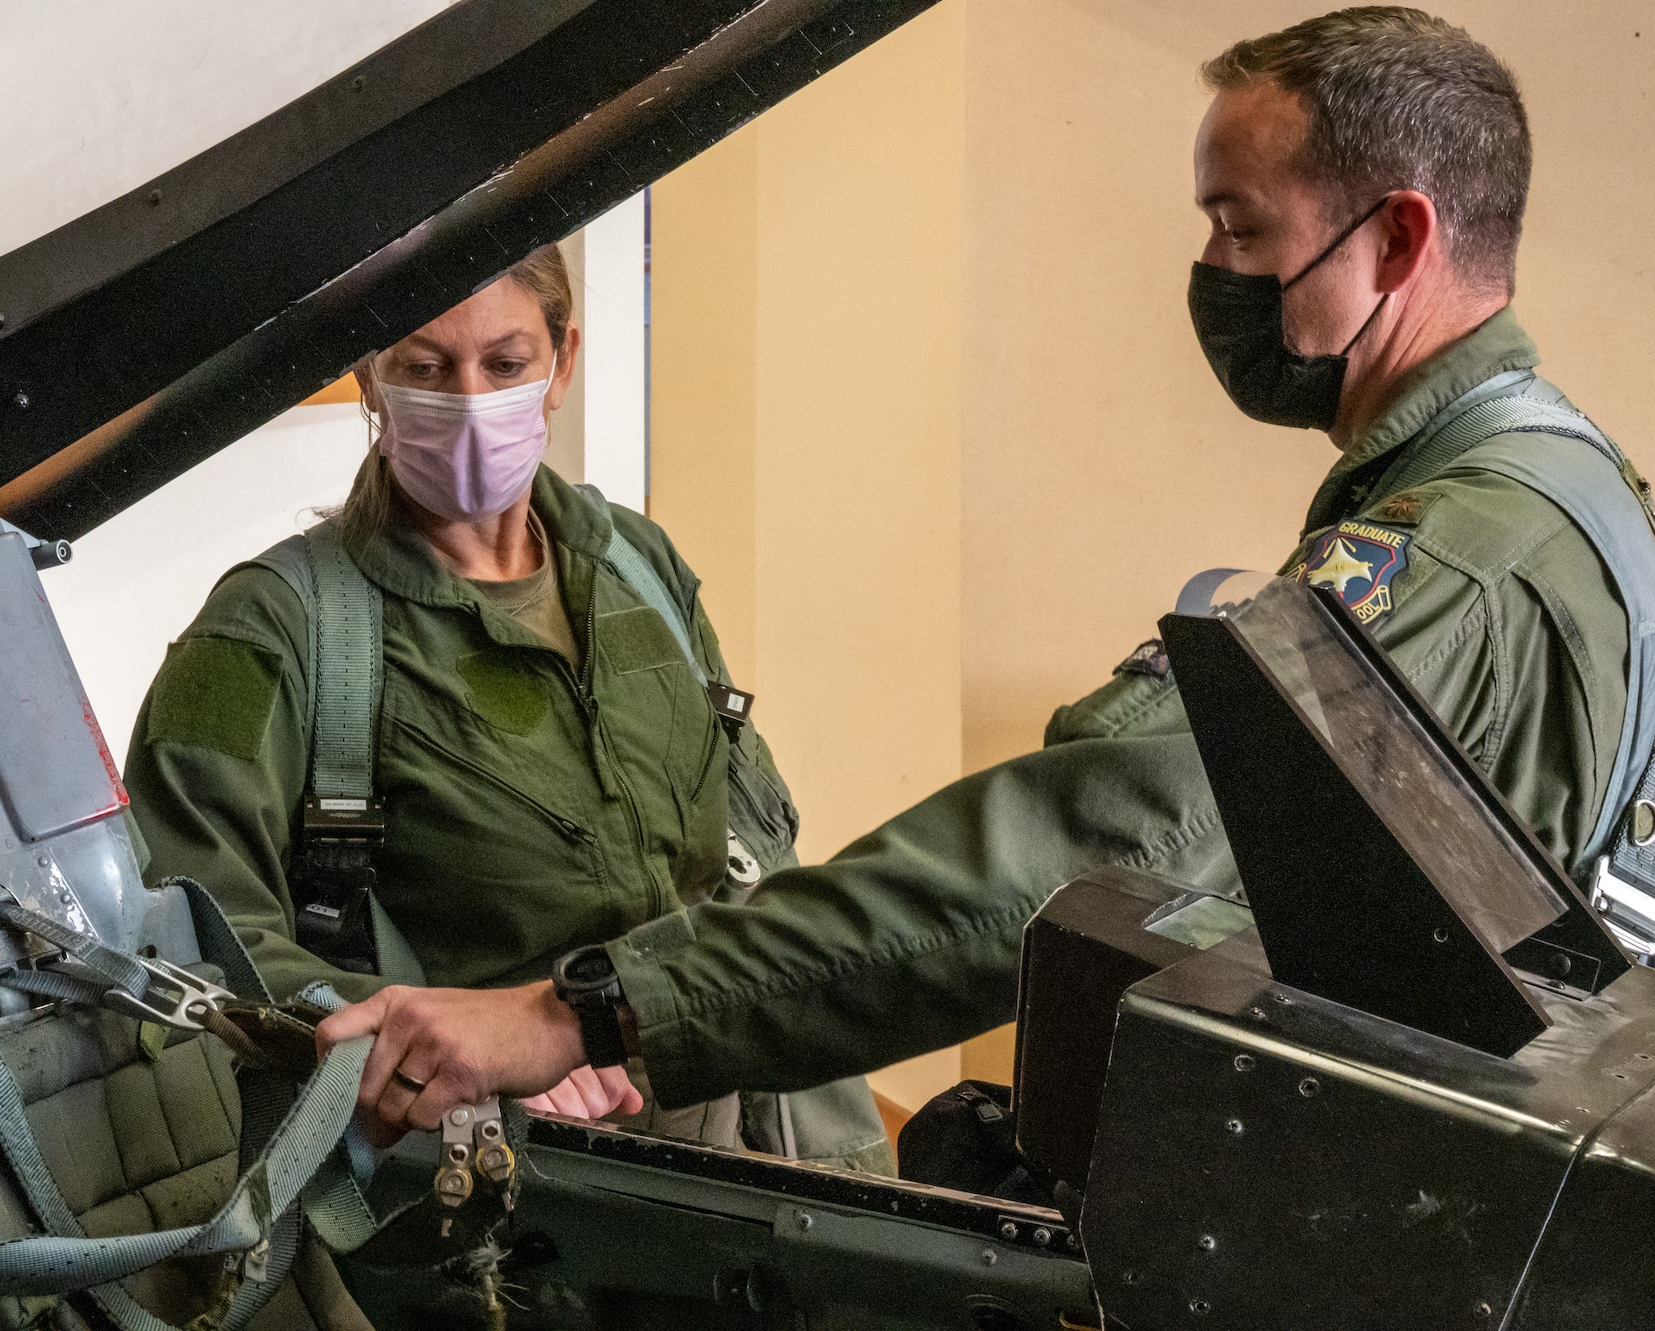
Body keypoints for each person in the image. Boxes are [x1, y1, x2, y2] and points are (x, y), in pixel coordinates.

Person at [317, 8, 1655, 1141]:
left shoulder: (1450, 565)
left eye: (1242, 230)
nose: (1212, 275)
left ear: (1399, 242)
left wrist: (583, 1011)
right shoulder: (1572, 489)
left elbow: (1103, 845)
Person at [122, 243, 890, 1169]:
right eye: (424, 366)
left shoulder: (640, 571)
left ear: (562, 363)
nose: (472, 400)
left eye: (506, 363)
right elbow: (191, 940)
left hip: (718, 1152)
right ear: (371, 372)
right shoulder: (270, 630)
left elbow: (751, 857)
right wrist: (448, 1046)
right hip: (474, 1180)